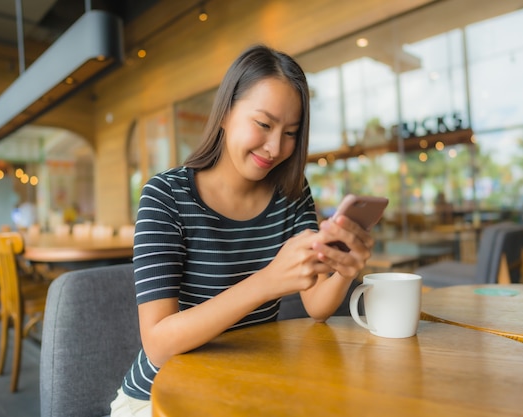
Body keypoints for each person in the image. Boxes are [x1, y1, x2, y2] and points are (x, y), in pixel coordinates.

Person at [110, 44, 375, 416]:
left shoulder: (291, 195)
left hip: (243, 387)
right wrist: (267, 281)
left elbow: (316, 305)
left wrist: (346, 266)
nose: (275, 147)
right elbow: (157, 343)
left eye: (290, 133)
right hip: (158, 398)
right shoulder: (166, 195)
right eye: (264, 125)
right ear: (225, 113)